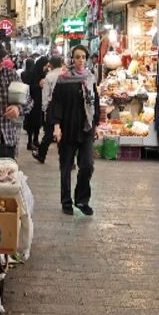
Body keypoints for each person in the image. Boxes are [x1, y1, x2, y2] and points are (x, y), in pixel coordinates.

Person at [47, 45, 100, 216]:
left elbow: (95, 103)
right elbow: (56, 104)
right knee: (66, 167)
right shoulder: (63, 79)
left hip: (86, 130)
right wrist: (56, 126)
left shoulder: (90, 78)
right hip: (68, 130)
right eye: (77, 57)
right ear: (72, 59)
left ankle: (82, 200)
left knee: (87, 166)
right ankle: (66, 201)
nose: (81, 60)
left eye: (83, 57)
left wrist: (96, 124)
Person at [33, 55, 66, 164]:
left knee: (48, 133)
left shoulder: (49, 77)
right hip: (65, 106)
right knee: (64, 132)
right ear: (61, 64)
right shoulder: (66, 74)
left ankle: (41, 155)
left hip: (52, 107)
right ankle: (68, 161)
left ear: (50, 65)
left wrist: (45, 109)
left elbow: (46, 95)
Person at [22, 55, 47, 152]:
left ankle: (36, 140)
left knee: (38, 122)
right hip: (31, 101)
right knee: (31, 122)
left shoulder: (42, 73)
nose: (46, 67)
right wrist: (39, 85)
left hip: (40, 101)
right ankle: (29, 142)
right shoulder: (31, 73)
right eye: (45, 65)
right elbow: (28, 87)